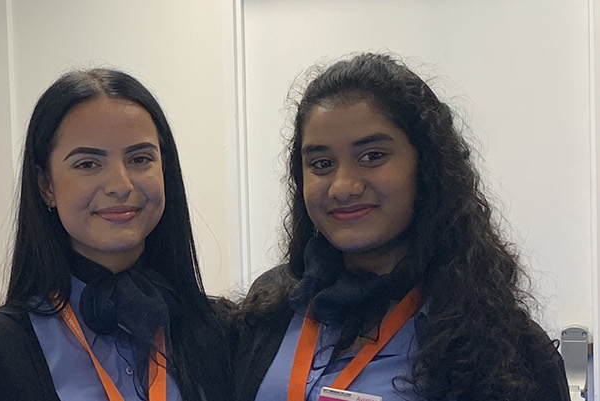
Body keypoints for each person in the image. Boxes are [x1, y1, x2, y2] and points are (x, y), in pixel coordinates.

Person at [230, 53, 569, 401]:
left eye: (373, 156)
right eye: (322, 163)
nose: (343, 186)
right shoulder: (272, 307)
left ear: (426, 168)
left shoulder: (504, 347)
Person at [0, 69, 229, 401]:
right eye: (88, 164)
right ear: (46, 185)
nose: (121, 185)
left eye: (139, 158)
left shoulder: (218, 330)